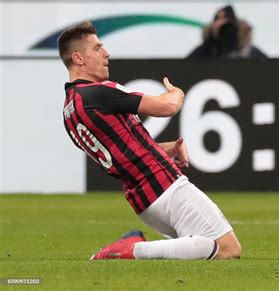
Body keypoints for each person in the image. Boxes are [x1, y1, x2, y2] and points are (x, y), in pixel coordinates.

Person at [57, 21, 241, 260]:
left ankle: (132, 251)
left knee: (202, 253)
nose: (106, 53)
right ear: (78, 58)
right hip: (164, 184)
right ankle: (131, 249)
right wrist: (177, 94)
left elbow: (124, 152)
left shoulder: (69, 111)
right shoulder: (98, 92)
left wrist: (168, 148)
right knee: (228, 249)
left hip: (144, 202)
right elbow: (167, 107)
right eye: (97, 48)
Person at [187, 5, 267, 60]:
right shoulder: (204, 51)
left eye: (225, 19)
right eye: (218, 19)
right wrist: (210, 43)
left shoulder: (250, 52)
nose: (221, 23)